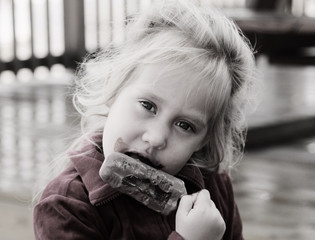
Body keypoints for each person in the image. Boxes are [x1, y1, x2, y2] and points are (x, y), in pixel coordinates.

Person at [33, 0, 256, 239]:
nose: (157, 137)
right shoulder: (66, 208)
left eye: (185, 125)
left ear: (204, 139)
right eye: (148, 106)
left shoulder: (212, 187)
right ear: (114, 88)